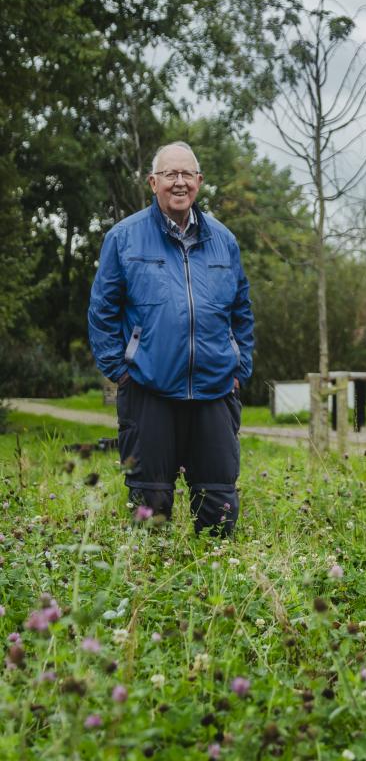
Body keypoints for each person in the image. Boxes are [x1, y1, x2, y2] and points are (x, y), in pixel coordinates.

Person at [88, 142, 254, 535]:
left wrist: (238, 369)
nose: (179, 182)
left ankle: (216, 588)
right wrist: (121, 369)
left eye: (186, 175)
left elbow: (242, 311)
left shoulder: (224, 241)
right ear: (153, 182)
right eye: (169, 174)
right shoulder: (124, 238)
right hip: (148, 389)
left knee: (219, 505)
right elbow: (102, 310)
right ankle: (148, 589)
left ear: (199, 182)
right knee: (151, 504)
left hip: (215, 390)